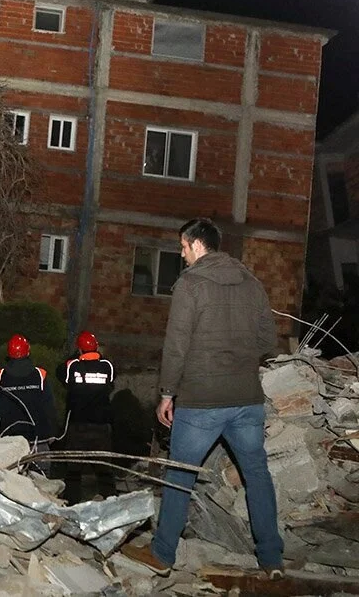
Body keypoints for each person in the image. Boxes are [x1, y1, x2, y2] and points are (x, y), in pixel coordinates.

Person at [122, 218, 283, 580]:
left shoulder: (191, 284)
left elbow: (176, 346)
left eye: (182, 246)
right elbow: (268, 342)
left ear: (197, 244)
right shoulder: (252, 283)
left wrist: (166, 393)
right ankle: (271, 557)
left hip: (201, 402)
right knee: (257, 474)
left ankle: (163, 553)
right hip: (246, 398)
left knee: (180, 473)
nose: (181, 254)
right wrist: (237, 358)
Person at [58, 330, 115, 503]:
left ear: (80, 349)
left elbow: (61, 372)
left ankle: (72, 501)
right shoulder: (107, 366)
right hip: (101, 424)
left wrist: (76, 356)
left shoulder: (73, 366)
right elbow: (110, 383)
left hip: (78, 424)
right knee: (104, 466)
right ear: (96, 347)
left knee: (74, 468)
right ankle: (110, 498)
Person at [0, 334, 57, 463]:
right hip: (37, 440)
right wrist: (51, 433)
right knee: (40, 479)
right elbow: (49, 407)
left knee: (9, 479)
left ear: (9, 353)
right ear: (28, 351)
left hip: (7, 442)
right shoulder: (40, 375)